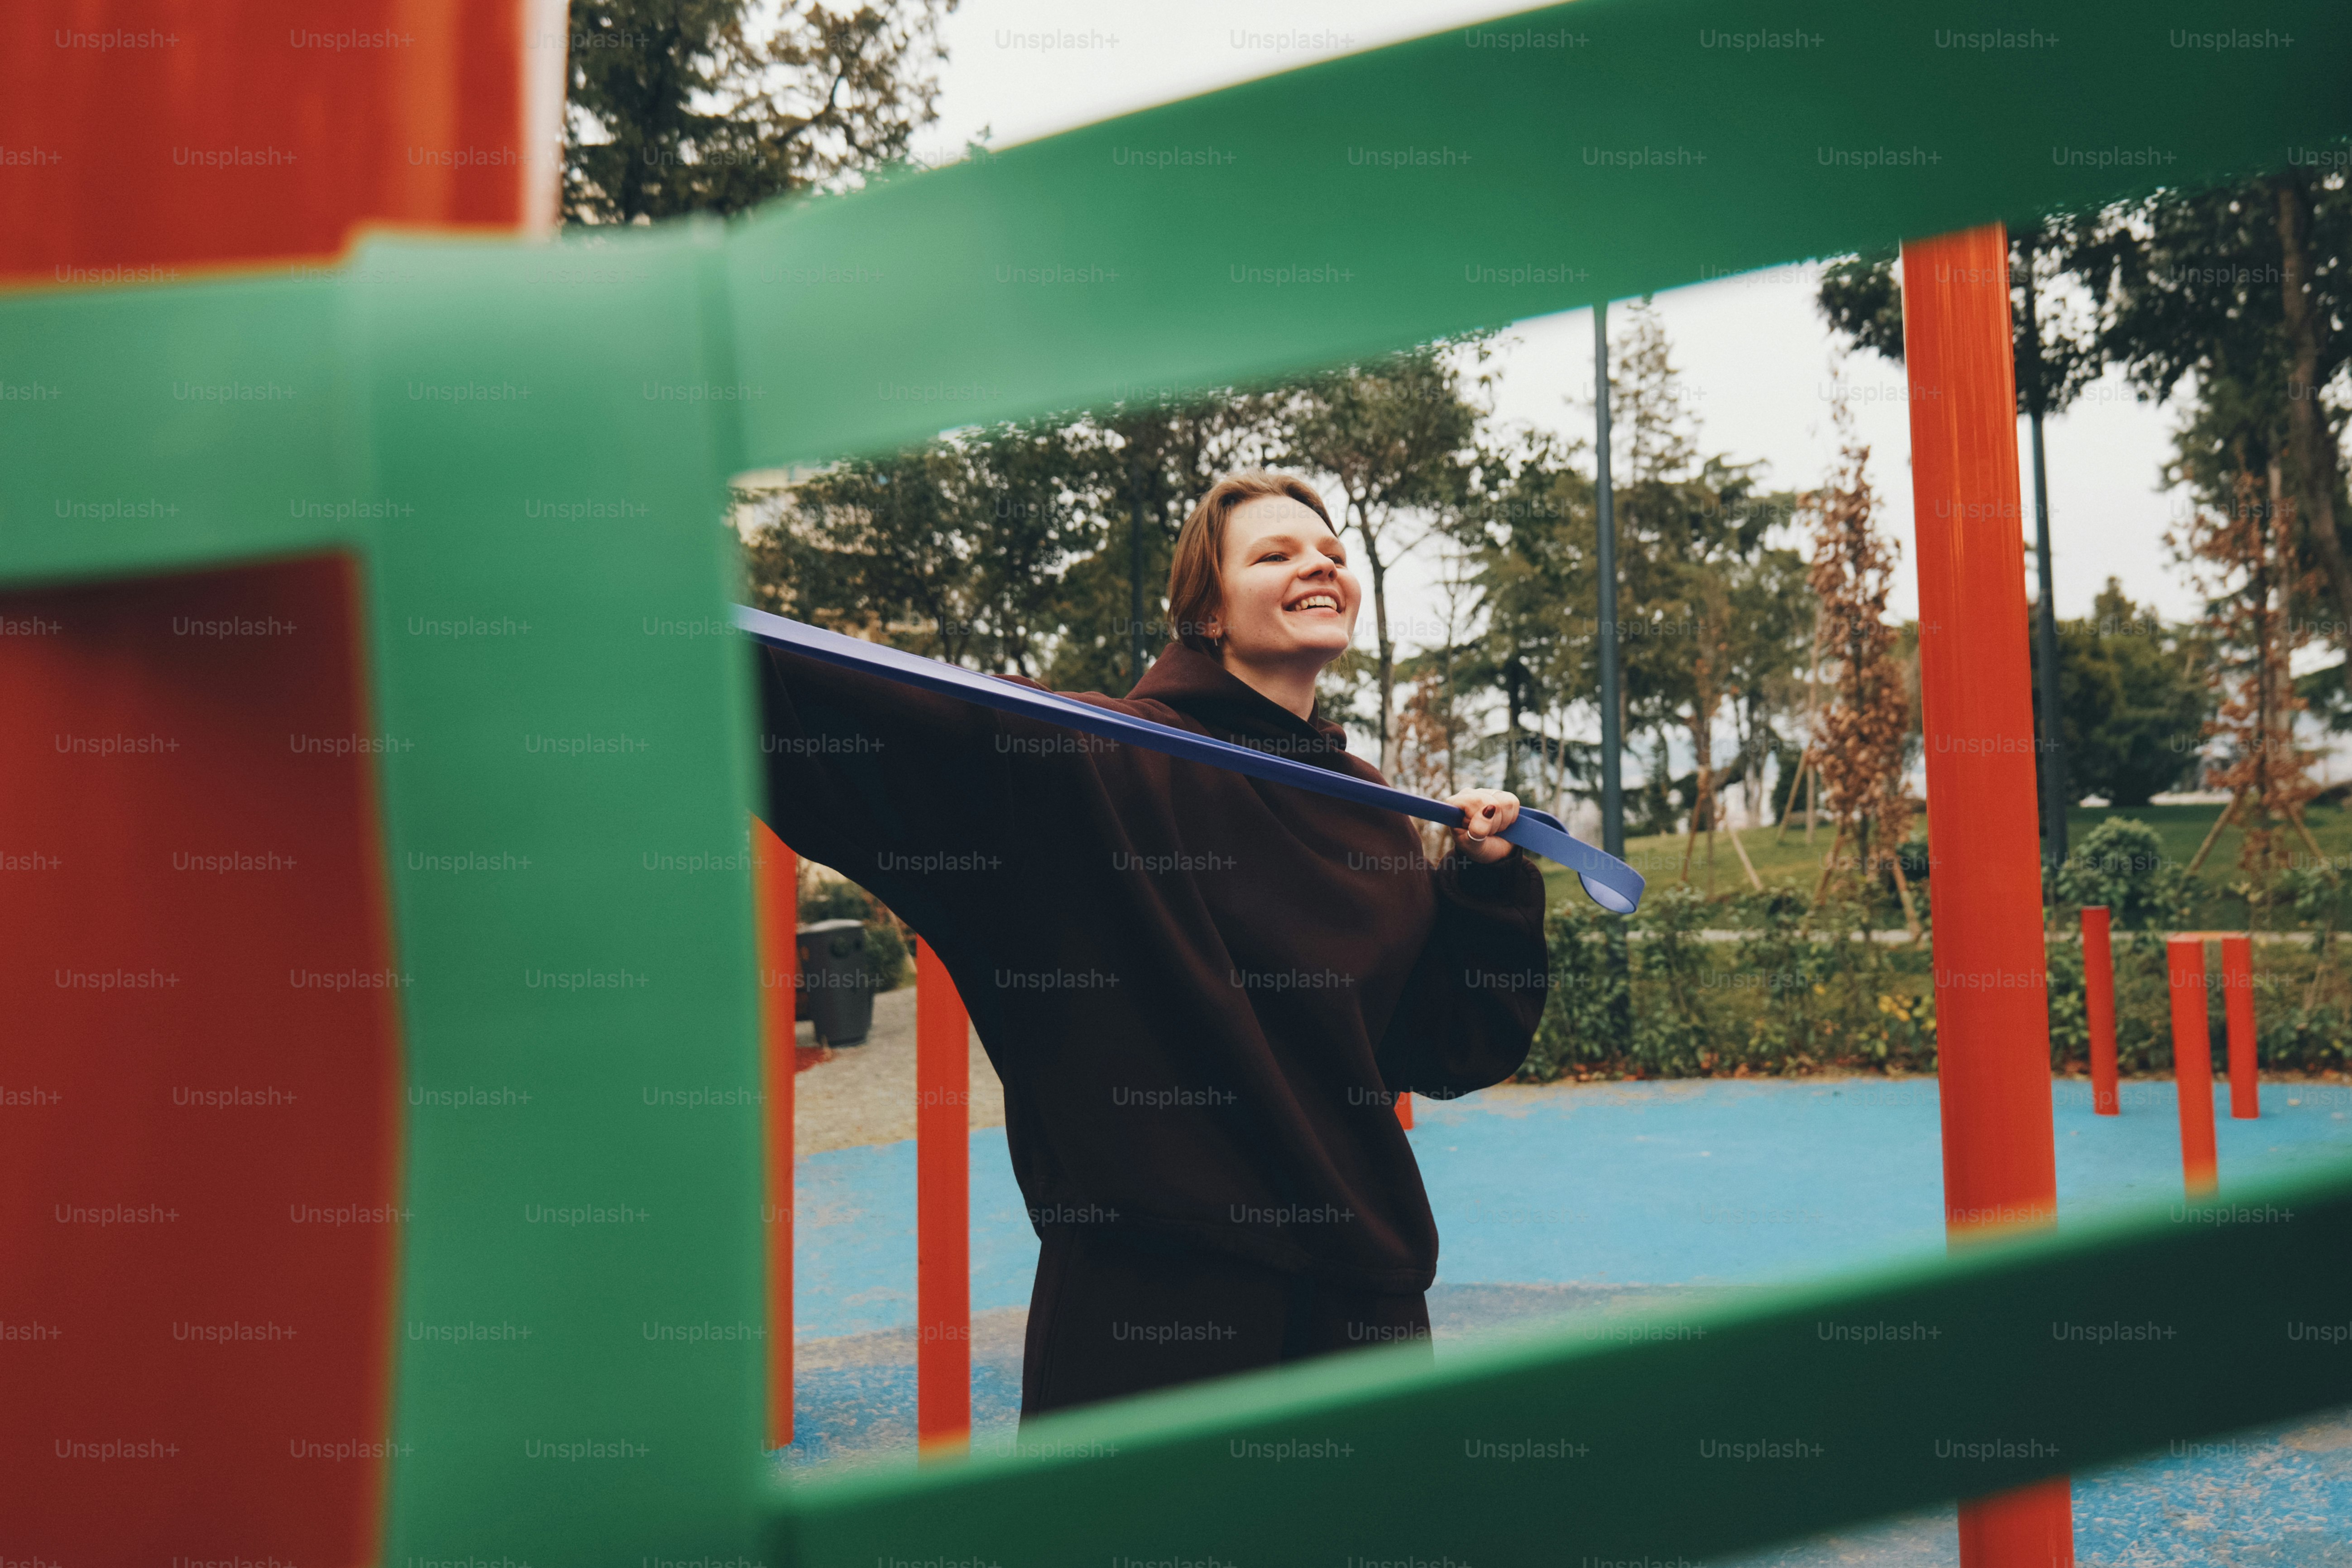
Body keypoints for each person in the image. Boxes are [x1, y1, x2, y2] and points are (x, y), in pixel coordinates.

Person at [754, 470, 1547, 1417]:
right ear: (1206, 613)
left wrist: (1490, 884)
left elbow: (1446, 1047)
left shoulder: (1371, 815)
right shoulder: (1107, 762)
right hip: (1154, 1309)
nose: (1319, 566)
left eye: (1331, 554)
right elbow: (928, 729)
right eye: (1276, 554)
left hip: (1358, 1309)